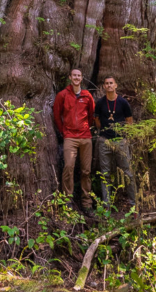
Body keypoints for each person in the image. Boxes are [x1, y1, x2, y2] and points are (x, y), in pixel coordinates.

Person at [53, 68, 95, 213]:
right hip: (70, 137)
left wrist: (85, 128)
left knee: (86, 171)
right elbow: (57, 115)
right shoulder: (63, 95)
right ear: (70, 77)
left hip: (85, 137)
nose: (76, 78)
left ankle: (86, 202)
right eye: (74, 75)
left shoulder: (87, 96)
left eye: (79, 75)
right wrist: (64, 131)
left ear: (82, 78)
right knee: (68, 167)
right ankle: (67, 200)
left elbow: (91, 115)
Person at [94, 74, 137, 207]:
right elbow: (97, 121)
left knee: (127, 173)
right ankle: (107, 205)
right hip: (104, 141)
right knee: (105, 174)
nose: (109, 85)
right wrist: (105, 133)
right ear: (103, 86)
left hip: (120, 141)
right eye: (106, 83)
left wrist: (124, 137)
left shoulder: (123, 103)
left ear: (116, 85)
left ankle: (133, 203)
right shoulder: (100, 103)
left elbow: (129, 121)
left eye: (111, 83)